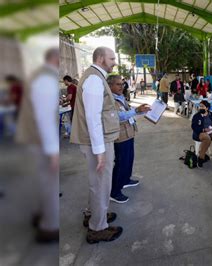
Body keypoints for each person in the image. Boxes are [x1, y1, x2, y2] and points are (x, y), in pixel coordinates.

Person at [70, 47, 123, 244]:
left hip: (97, 141)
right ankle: (97, 228)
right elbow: (93, 118)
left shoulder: (95, 76)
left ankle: (94, 214)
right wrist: (100, 151)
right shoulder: (94, 79)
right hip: (97, 142)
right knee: (101, 184)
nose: (114, 62)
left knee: (97, 182)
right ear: (100, 58)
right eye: (111, 58)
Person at [15, 48, 60, 242]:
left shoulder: (38, 76)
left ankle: (39, 213)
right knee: (50, 183)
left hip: (33, 139)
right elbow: (44, 118)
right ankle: (49, 226)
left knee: (40, 180)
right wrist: (53, 151)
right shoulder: (46, 79)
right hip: (41, 141)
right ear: (54, 58)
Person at [107, 75, 151, 203]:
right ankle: (114, 192)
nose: (122, 86)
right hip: (120, 136)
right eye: (118, 84)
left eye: (122, 84)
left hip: (128, 132)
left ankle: (125, 180)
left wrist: (142, 111)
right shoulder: (109, 99)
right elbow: (118, 117)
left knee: (129, 159)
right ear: (109, 86)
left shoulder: (120, 97)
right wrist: (136, 110)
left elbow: (128, 111)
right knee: (121, 162)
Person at [191, 100, 212, 167]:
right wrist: (203, 129)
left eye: (202, 106)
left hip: (210, 131)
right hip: (200, 132)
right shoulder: (196, 116)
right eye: (200, 106)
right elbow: (193, 126)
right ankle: (201, 158)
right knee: (207, 138)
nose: (200, 108)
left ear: (207, 108)